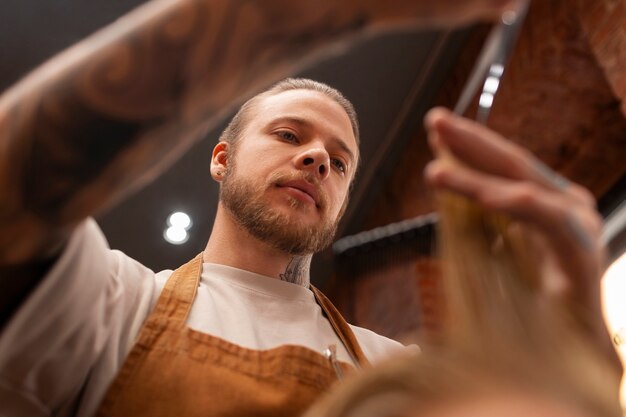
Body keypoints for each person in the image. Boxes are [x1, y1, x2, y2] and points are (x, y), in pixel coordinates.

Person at [0, 0, 616, 416]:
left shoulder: (396, 371)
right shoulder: (115, 306)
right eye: (290, 136)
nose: (319, 160)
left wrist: (578, 356)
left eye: (340, 162)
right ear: (221, 159)